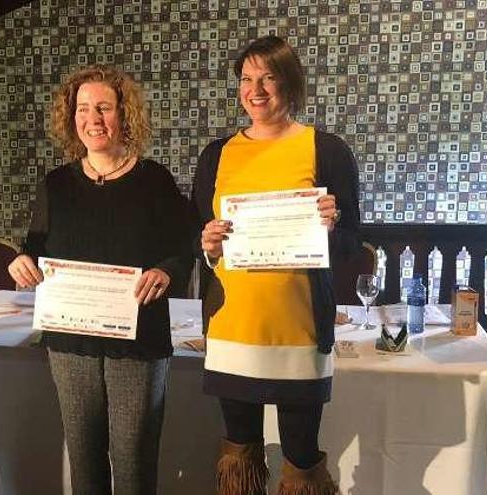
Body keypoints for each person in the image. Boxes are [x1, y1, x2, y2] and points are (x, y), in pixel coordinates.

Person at [7, 65, 191, 495]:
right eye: (83, 108)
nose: (93, 118)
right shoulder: (56, 185)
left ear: (124, 115)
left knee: (133, 460)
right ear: (72, 118)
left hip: (139, 342)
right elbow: (34, 247)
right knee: (84, 458)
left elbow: (183, 250)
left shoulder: (154, 181)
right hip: (71, 344)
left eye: (104, 107)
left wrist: (166, 271)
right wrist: (22, 262)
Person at [192, 36, 360, 495]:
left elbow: (351, 244)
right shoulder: (217, 154)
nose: (256, 90)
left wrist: (332, 226)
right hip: (232, 328)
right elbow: (198, 238)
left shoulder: (326, 149)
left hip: (299, 329)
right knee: (239, 447)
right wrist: (206, 243)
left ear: (291, 83)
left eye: (268, 77)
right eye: (247, 79)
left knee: (302, 455)